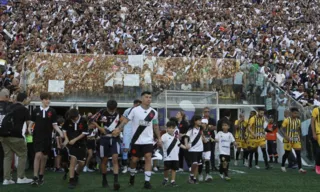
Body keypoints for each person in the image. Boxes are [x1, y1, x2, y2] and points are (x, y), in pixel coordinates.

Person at [115, 91, 161, 189]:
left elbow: (156, 126)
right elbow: (125, 121)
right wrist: (118, 129)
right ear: (141, 99)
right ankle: (132, 175)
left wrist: (159, 138)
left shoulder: (154, 112)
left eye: (150, 97)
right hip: (136, 140)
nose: (149, 99)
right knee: (134, 160)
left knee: (148, 157)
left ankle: (147, 182)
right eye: (146, 97)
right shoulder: (135, 110)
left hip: (148, 141)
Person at [28, 92, 64, 186]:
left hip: (47, 137)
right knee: (38, 155)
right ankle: (35, 177)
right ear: (42, 100)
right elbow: (32, 121)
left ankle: (41, 175)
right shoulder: (36, 110)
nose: (48, 101)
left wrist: (60, 132)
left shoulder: (52, 111)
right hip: (37, 137)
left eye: (49, 99)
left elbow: (54, 125)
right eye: (46, 99)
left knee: (44, 157)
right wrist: (29, 128)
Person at [0, 92, 33, 185]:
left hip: (3, 135)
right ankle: (21, 177)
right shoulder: (24, 109)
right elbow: (29, 124)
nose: (28, 100)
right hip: (15, 135)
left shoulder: (10, 106)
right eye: (28, 99)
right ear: (24, 99)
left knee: (7, 156)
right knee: (22, 154)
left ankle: (7, 179)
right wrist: (29, 130)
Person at [91, 100, 121, 190]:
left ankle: (116, 181)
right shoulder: (101, 112)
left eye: (113, 110)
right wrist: (100, 128)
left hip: (115, 138)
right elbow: (91, 120)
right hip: (104, 139)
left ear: (116, 108)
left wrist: (119, 130)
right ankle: (104, 179)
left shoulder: (118, 114)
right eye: (110, 110)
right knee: (104, 160)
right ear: (107, 107)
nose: (111, 111)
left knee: (115, 159)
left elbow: (123, 124)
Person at [62, 108, 89, 189]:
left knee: (81, 163)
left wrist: (75, 139)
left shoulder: (83, 121)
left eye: (74, 118)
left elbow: (84, 133)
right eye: (72, 118)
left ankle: (76, 174)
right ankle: (71, 180)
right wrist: (66, 138)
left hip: (81, 144)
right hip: (71, 145)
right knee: (73, 160)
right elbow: (64, 130)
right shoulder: (68, 120)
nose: (73, 119)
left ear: (77, 116)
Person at [161, 121, 189, 187]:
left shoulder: (176, 137)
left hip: (175, 156)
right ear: (167, 128)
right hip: (167, 156)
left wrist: (185, 147)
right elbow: (160, 142)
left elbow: (179, 144)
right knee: (166, 168)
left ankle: (173, 181)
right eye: (169, 128)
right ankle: (165, 179)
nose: (171, 129)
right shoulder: (164, 136)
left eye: (172, 128)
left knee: (174, 169)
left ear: (175, 129)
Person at [280, 108, 307, 173]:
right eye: (295, 113)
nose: (296, 114)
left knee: (298, 154)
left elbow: (298, 130)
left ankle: (300, 168)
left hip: (296, 139)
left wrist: (299, 137)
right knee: (287, 153)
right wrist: (286, 136)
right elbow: (281, 129)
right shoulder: (286, 120)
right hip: (288, 139)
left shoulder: (298, 121)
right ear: (291, 113)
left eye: (297, 113)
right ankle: (282, 166)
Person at [121, 99, 141, 174]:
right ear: (134, 104)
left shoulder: (140, 112)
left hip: (136, 133)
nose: (138, 106)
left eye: (139, 105)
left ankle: (132, 167)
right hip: (127, 132)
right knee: (125, 149)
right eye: (137, 105)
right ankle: (125, 167)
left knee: (135, 150)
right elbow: (122, 119)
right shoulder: (127, 110)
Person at [185, 115, 203, 184]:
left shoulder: (201, 129)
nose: (200, 121)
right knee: (194, 163)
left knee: (197, 164)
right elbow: (186, 137)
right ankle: (191, 175)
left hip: (200, 149)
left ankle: (194, 178)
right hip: (193, 149)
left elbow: (202, 137)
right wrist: (186, 144)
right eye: (198, 120)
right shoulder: (191, 129)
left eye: (200, 120)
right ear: (195, 121)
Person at [202, 107, 218, 171]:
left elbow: (215, 127)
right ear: (203, 112)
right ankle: (202, 164)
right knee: (202, 152)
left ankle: (213, 165)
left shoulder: (212, 120)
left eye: (208, 111)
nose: (207, 113)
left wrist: (209, 127)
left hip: (211, 137)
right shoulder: (201, 120)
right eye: (205, 111)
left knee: (212, 151)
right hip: (203, 138)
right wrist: (208, 127)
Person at [311, 106, 320, 174]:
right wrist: (314, 133)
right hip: (319, 133)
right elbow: (312, 122)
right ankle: (317, 166)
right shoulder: (316, 110)